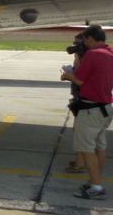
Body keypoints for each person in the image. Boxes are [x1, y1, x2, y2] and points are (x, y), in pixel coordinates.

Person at [61, 24, 113, 200]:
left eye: (85, 41)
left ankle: (96, 188)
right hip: (105, 107)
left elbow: (80, 80)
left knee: (86, 148)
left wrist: (68, 75)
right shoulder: (110, 53)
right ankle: (95, 181)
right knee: (100, 145)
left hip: (90, 109)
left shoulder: (92, 54)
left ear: (90, 39)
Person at [65, 33, 86, 173]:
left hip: (83, 99)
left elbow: (79, 76)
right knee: (79, 129)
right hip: (81, 98)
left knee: (80, 130)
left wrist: (69, 75)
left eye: (77, 44)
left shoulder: (84, 59)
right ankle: (81, 159)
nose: (74, 47)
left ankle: (80, 162)